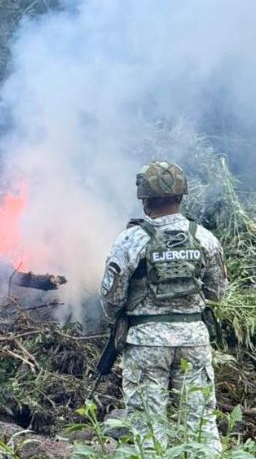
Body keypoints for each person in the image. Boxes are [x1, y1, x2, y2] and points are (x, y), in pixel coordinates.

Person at [100, 161, 228, 453]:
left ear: (144, 200)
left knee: (149, 427)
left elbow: (111, 299)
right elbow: (218, 293)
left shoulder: (131, 240)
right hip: (193, 340)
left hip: (146, 344)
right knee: (200, 423)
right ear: (181, 196)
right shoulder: (204, 238)